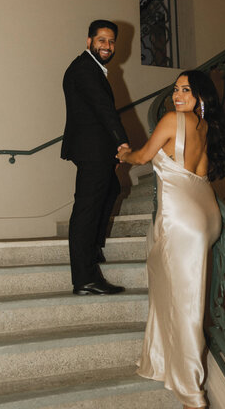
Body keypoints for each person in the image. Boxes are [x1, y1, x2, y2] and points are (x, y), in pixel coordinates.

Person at [116, 70, 225, 409]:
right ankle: (159, 361)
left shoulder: (172, 119)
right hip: (206, 214)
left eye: (186, 90)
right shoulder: (205, 127)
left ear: (200, 97)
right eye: (176, 90)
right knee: (165, 281)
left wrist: (123, 153)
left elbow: (140, 158)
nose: (178, 96)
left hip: (182, 220)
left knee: (186, 305)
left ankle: (191, 393)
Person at [61, 19, 129, 296]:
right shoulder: (86, 69)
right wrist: (122, 142)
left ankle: (93, 249)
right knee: (86, 210)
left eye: (111, 41)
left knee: (111, 189)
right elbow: (104, 109)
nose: (107, 46)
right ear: (89, 41)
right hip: (93, 149)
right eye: (101, 40)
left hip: (93, 148)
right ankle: (85, 278)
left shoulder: (90, 68)